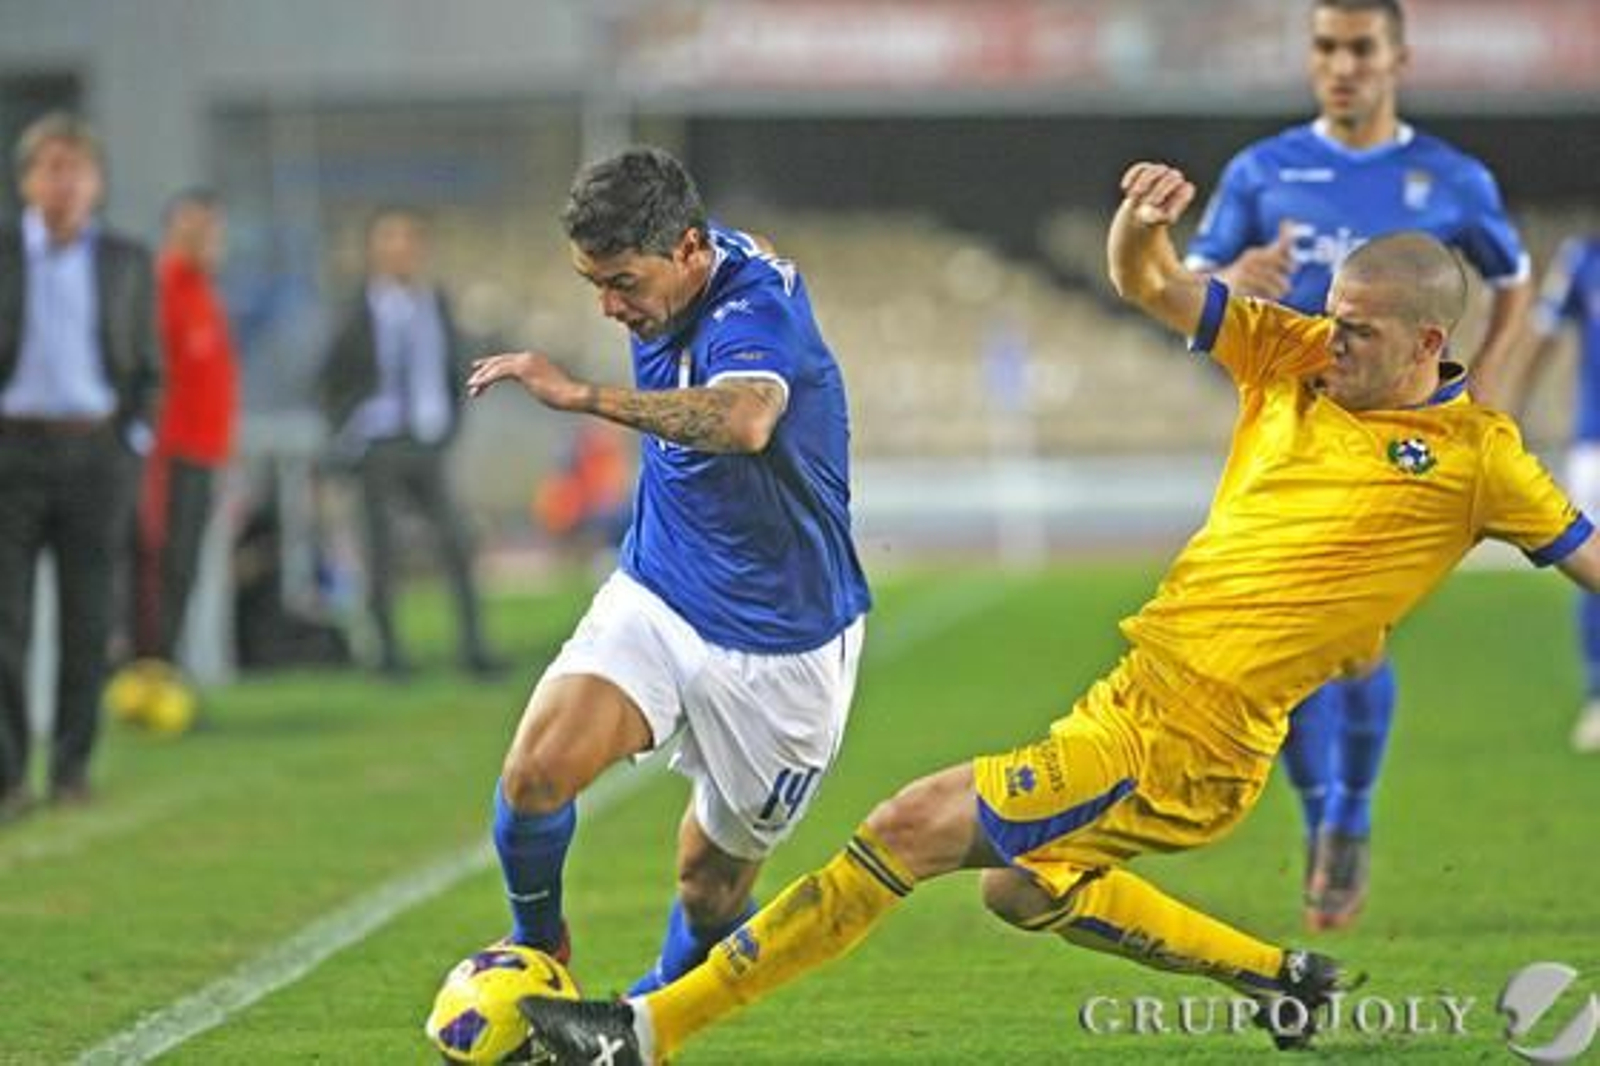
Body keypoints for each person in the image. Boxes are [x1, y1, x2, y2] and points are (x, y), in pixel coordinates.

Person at [515, 161, 1600, 1064]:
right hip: (1136, 692)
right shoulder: (1292, 354)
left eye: (1359, 330)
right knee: (1021, 890)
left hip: (1196, 731)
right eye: (1333, 315)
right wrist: (1139, 227)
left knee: (905, 828)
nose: (1334, 337)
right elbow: (1152, 285)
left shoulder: (1479, 462)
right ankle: (1279, 980)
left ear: (1427, 344)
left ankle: (640, 1032)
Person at [463, 147, 871, 993]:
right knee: (534, 774)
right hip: (663, 588)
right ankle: (537, 954)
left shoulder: (760, 308)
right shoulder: (680, 254)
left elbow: (746, 419)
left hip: (784, 642)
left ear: (688, 251)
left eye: (623, 283)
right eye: (594, 285)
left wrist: (584, 397)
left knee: (709, 884)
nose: (611, 307)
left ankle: (642, 1022)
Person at [1182, 0, 1533, 931]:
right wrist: (1234, 278)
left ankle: (1347, 817)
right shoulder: (1263, 171)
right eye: (1326, 48)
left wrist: (1490, 377)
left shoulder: (1449, 178)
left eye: (1360, 48)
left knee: (1351, 635)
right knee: (1291, 653)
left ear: (1398, 59)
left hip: (1396, 448)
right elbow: (1193, 281)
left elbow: (1514, 276)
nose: (1342, 65)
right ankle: (1330, 819)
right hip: (1291, 442)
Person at [0, 112, 159, 820]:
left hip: (96, 452)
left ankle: (70, 766)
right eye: (48, 167)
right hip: (13, 451)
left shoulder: (125, 260)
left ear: (96, 183)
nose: (61, 182)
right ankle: (8, 775)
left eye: (75, 169)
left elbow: (148, 365)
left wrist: (134, 441)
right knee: (7, 618)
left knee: (89, 616)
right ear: (25, 180)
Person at [318, 207, 502, 679]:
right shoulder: (356, 307)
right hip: (377, 440)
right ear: (374, 250)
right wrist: (346, 426)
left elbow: (449, 365)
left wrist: (449, 421)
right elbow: (329, 376)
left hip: (426, 439)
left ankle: (475, 649)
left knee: (456, 542)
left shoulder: (434, 302)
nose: (400, 250)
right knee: (379, 552)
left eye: (408, 240)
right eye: (390, 240)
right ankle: (388, 656)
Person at [130, 188, 239, 669]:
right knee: (163, 566)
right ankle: (149, 670)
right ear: (175, 230)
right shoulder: (163, 290)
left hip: (203, 452)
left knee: (184, 566)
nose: (208, 238)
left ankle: (163, 668)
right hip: (170, 453)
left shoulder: (202, 291)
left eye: (213, 228)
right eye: (196, 228)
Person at [1516, 235, 1600, 752]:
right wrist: (1509, 411)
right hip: (1597, 444)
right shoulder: (1582, 258)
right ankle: (1598, 693)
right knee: (1591, 564)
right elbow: (1540, 337)